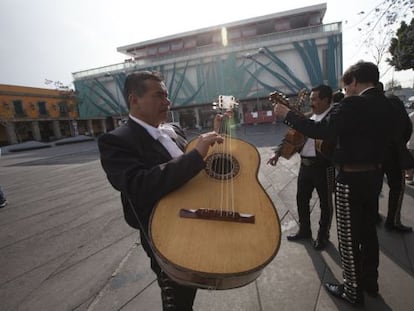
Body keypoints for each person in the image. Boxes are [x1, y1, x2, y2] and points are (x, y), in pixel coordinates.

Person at [98, 71, 223, 311]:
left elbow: (183, 166)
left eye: (167, 95)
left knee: (194, 285)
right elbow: (138, 185)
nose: (167, 102)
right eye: (159, 95)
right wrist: (197, 155)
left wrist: (214, 131)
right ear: (134, 100)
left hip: (195, 222)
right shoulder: (115, 140)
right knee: (178, 300)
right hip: (163, 234)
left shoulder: (173, 129)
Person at [274, 61, 393, 305]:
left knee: (348, 236)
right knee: (369, 233)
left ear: (355, 82)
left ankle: (351, 289)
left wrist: (288, 115)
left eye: (347, 86)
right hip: (374, 177)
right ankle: (370, 282)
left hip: (350, 177)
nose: (346, 91)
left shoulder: (351, 103)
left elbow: (322, 130)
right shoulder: (388, 103)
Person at [267, 85, 335, 250]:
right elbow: (290, 137)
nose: (311, 103)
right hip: (305, 166)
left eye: (314, 99)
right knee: (301, 200)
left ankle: (323, 235)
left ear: (326, 100)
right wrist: (277, 154)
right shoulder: (308, 117)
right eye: (310, 99)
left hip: (323, 167)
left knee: (325, 204)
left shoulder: (332, 118)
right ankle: (304, 230)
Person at [378, 82, 413, 232]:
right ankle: (393, 221)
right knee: (397, 187)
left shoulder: (363, 103)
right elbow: (406, 126)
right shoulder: (393, 101)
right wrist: (399, 144)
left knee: (374, 186)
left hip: (373, 154)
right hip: (393, 152)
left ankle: (373, 216)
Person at [406, 110, 414, 185]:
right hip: (411, 142)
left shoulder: (411, 115)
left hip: (412, 143)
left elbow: (407, 128)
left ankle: (410, 176)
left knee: (411, 162)